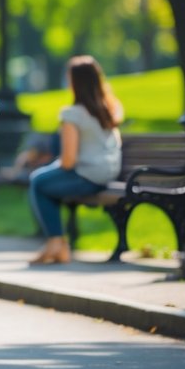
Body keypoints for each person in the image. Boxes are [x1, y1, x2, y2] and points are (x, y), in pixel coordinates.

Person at [28, 55, 123, 265]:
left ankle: (56, 243)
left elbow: (68, 161)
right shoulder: (111, 108)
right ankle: (59, 246)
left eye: (69, 78)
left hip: (88, 175)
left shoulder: (72, 114)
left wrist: (50, 167)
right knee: (47, 184)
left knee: (38, 181)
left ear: (75, 82)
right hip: (109, 172)